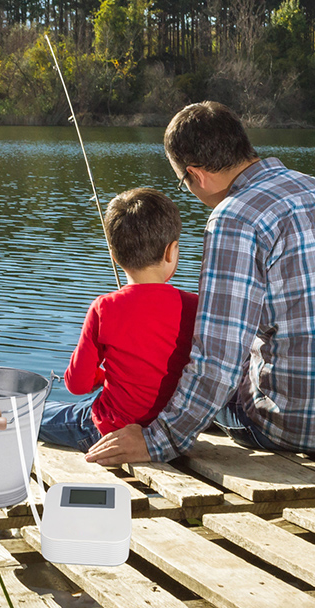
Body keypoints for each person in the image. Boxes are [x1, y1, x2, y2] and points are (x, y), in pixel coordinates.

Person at [85, 101, 315, 465]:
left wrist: (157, 441)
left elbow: (217, 360)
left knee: (155, 394)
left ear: (197, 175)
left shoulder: (235, 218)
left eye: (184, 184)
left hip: (298, 429)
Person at [39, 187, 198, 452]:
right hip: (170, 432)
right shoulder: (194, 307)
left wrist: (101, 377)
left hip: (106, 431)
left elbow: (77, 384)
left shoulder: (104, 308)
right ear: (171, 252)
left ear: (114, 255)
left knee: (33, 414)